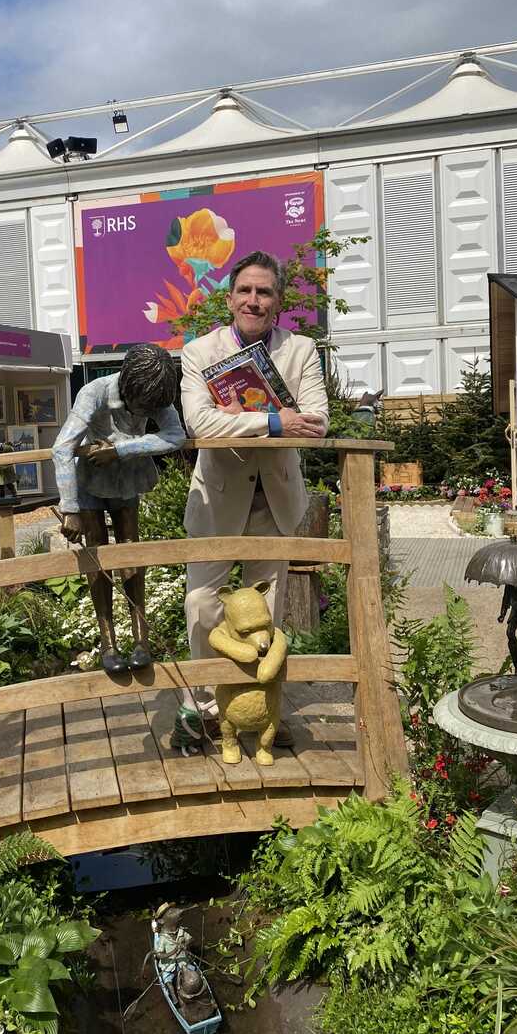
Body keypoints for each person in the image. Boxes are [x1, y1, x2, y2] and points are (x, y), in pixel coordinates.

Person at [181, 250, 328, 738]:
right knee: (203, 606)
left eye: (264, 292)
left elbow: (319, 421)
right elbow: (198, 422)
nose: (254, 300)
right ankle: (204, 707)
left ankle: (262, 708)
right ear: (230, 299)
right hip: (216, 498)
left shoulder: (301, 350)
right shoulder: (199, 352)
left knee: (266, 612)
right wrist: (273, 420)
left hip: (277, 499)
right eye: (245, 290)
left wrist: (248, 424)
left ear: (279, 300)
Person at [53, 343, 185, 676]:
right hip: (90, 483)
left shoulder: (157, 394)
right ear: (127, 385)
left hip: (126, 479)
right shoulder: (93, 392)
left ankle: (142, 641)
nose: (144, 413)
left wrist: (121, 449)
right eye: (141, 407)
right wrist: (70, 508)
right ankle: (108, 643)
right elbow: (62, 447)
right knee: (98, 559)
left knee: (131, 556)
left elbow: (175, 436)